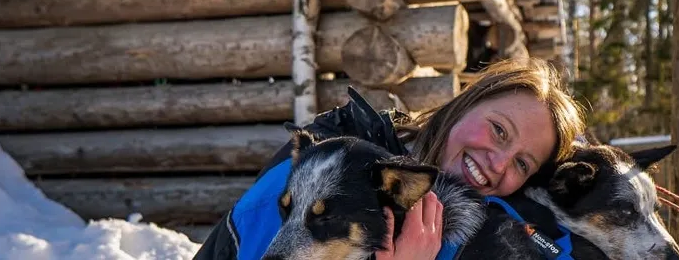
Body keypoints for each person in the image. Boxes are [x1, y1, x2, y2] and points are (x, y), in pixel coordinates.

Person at [193, 57, 587, 260]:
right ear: (465, 104)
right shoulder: (328, 163)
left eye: (522, 163)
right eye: (499, 130)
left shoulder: (499, 219)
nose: (498, 165)